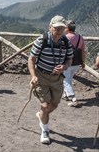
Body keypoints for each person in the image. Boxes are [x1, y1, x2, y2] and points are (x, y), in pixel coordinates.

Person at [28, 15, 74, 144]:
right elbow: (31, 59)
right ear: (50, 27)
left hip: (57, 78)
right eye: (56, 27)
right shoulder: (41, 40)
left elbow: (69, 59)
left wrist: (64, 67)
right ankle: (45, 130)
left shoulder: (66, 42)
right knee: (46, 105)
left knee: (54, 104)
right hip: (41, 76)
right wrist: (33, 76)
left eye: (62, 28)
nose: (59, 30)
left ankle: (42, 115)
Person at [62, 20, 86, 106]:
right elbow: (83, 51)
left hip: (67, 62)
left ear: (67, 28)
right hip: (77, 62)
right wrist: (83, 62)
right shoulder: (80, 38)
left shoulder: (64, 38)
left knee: (65, 80)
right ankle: (65, 95)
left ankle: (73, 97)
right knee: (68, 79)